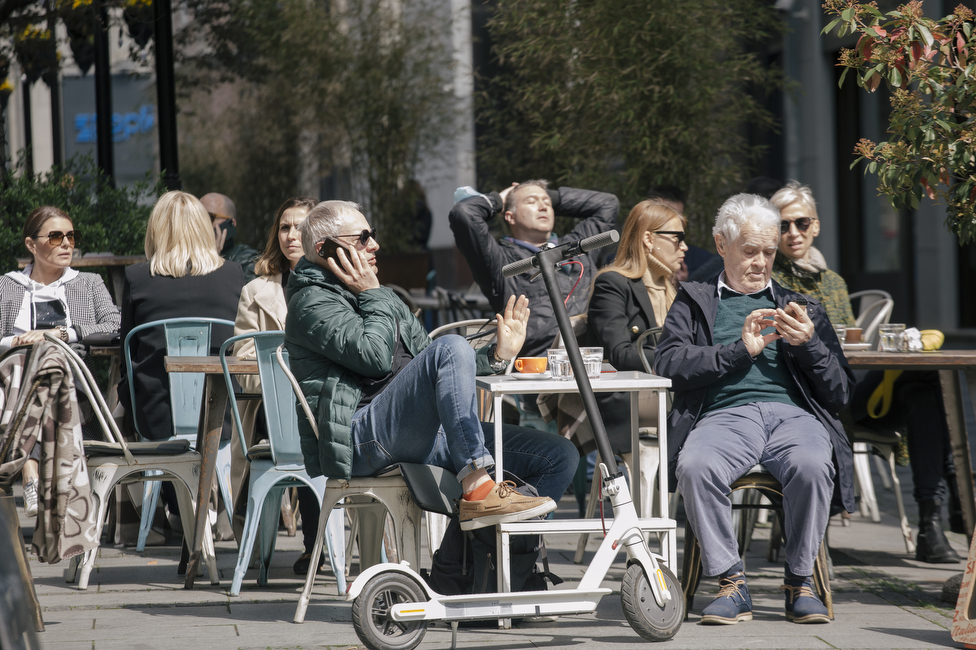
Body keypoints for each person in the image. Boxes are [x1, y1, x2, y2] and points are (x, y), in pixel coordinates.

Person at [285, 200, 578, 531]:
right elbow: (375, 357)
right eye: (363, 238)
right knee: (450, 346)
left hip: (421, 430)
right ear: (325, 249)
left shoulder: (379, 295)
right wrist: (372, 294)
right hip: (360, 437)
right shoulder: (311, 302)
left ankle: (482, 566)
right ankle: (478, 486)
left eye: (373, 235)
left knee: (559, 455)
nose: (375, 245)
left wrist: (498, 353)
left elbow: (431, 360)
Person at [655, 193, 855, 625]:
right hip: (724, 416)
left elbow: (840, 394)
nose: (761, 262)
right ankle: (732, 582)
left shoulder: (801, 307)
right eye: (750, 251)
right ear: (721, 244)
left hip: (794, 417)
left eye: (768, 251)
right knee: (695, 465)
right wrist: (737, 351)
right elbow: (668, 364)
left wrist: (810, 344)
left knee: (811, 463)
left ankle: (800, 583)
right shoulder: (695, 300)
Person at [770, 180, 962, 564]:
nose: (793, 233)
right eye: (783, 225)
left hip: (844, 390)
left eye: (802, 223)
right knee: (925, 387)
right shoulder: (768, 278)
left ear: (817, 226)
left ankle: (930, 518)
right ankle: (946, 511)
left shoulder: (833, 282)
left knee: (926, 382)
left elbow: (849, 348)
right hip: (801, 397)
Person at [232, 195, 337, 574]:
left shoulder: (340, 284)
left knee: (318, 427)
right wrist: (281, 369)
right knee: (301, 429)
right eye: (285, 227)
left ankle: (319, 545)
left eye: (301, 227)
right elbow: (243, 360)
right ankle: (312, 544)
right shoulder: (256, 291)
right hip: (272, 408)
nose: (292, 235)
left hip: (329, 403)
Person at [0, 206, 120, 517]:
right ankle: (32, 473)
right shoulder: (7, 287)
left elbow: (115, 323)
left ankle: (29, 471)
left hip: (69, 375)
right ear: (31, 245)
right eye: (55, 237)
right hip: (14, 374)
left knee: (49, 359)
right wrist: (15, 341)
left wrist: (65, 334)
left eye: (70, 236)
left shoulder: (88, 283)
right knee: (30, 362)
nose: (67, 243)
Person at [449, 181, 618, 357]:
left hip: (595, 357)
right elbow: (464, 213)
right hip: (540, 365)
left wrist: (547, 195)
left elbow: (607, 203)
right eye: (532, 202)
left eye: (547, 203)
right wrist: (499, 200)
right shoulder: (500, 260)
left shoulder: (579, 247)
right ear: (510, 216)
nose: (543, 207)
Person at [585, 200, 687, 453]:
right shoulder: (613, 283)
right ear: (649, 239)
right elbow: (622, 355)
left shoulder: (677, 293)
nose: (684, 247)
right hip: (627, 396)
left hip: (666, 390)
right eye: (677, 238)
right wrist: (684, 361)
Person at [645, 185, 714, 283]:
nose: (676, 222)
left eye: (679, 216)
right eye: (667, 216)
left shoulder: (702, 261)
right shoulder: (621, 273)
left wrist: (684, 286)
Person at [200, 192, 260, 283]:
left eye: (209, 217)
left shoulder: (247, 259)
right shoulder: (184, 257)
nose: (200, 223)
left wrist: (213, 258)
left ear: (231, 224)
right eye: (197, 217)